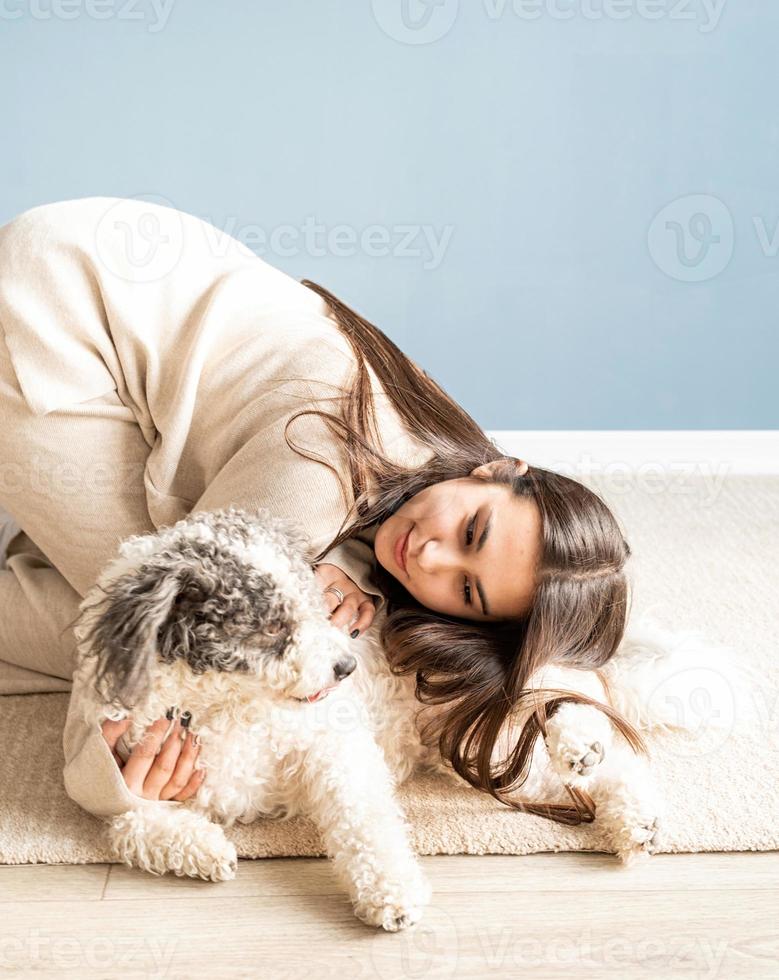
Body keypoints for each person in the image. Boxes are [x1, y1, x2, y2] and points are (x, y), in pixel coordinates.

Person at [0, 197, 636, 823]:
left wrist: (329, 562)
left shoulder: (424, 453)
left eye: (466, 590)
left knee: (201, 595)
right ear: (499, 470)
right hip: (49, 316)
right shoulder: (322, 469)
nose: (433, 556)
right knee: (155, 621)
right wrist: (109, 777)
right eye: (473, 529)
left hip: (103, 279)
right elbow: (147, 601)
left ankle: (32, 528)